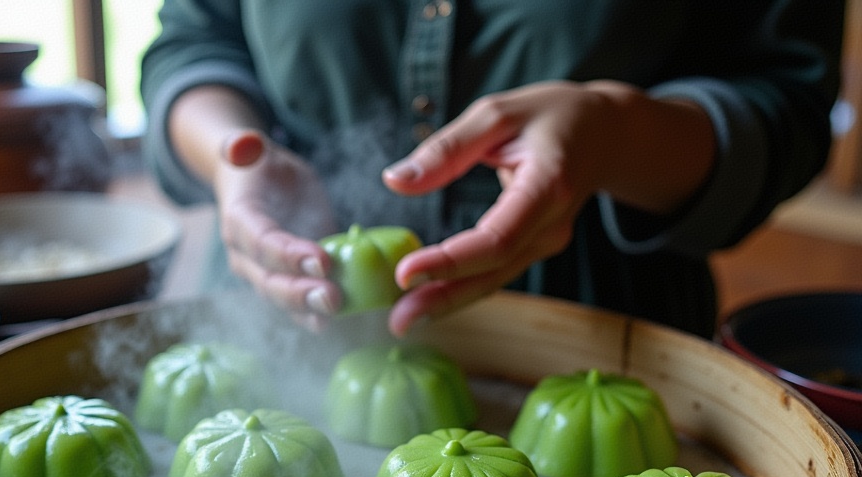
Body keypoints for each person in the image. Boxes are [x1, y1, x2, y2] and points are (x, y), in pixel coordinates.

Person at [139, 1, 844, 339]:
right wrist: (233, 154)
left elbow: (788, 101)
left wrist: (614, 133)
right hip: (271, 310)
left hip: (599, 324)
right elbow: (195, 42)